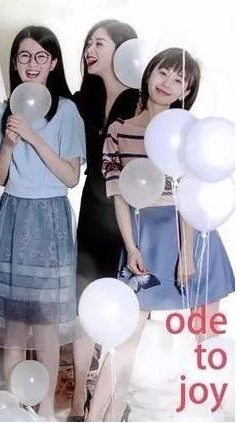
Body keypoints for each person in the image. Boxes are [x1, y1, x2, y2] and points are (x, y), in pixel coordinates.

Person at [87, 48, 234, 421]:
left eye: (179, 79)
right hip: (144, 239)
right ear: (149, 73)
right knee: (125, 340)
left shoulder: (189, 132)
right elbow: (119, 196)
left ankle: (218, 413)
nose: (168, 83)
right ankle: (96, 418)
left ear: (188, 91)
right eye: (163, 73)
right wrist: (132, 247)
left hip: (191, 239)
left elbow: (191, 196)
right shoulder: (119, 131)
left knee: (205, 337)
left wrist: (187, 252)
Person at [0, 25, 86, 418]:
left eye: (41, 56)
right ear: (15, 63)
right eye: (24, 55)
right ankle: (19, 408)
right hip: (14, 217)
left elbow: (70, 177)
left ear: (53, 63)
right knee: (17, 326)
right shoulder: (1, 111)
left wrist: (34, 138)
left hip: (50, 220)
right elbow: (0, 177)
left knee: (47, 327)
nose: (32, 63)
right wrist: (8, 144)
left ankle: (46, 410)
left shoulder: (67, 112)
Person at [70, 19, 139, 421]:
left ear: (123, 49)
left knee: (129, 312)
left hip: (132, 216)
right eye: (87, 43)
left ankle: (114, 400)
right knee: (85, 307)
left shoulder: (143, 100)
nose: (89, 50)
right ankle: (79, 394)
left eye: (98, 43)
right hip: (93, 213)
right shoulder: (84, 100)